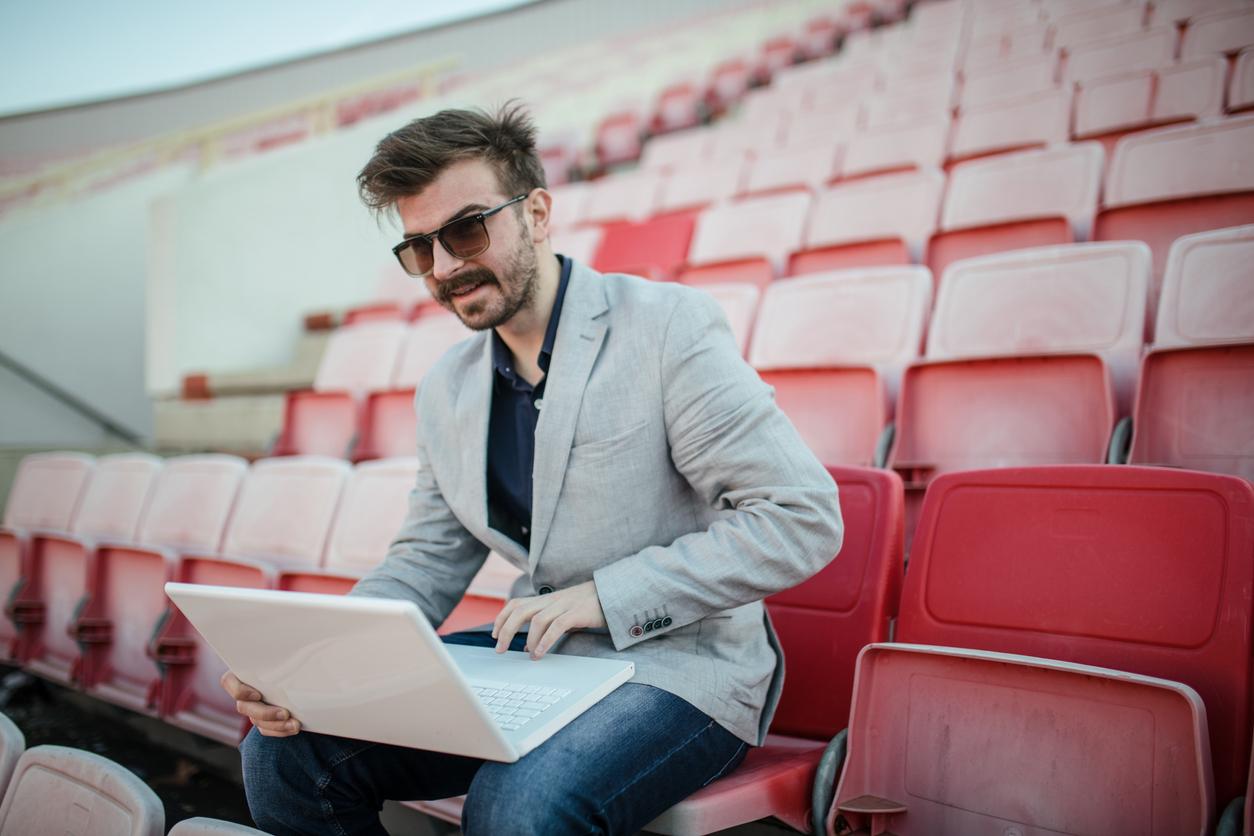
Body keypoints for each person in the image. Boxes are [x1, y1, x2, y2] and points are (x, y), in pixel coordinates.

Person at [223, 102, 843, 836]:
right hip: (537, 660)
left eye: (466, 229)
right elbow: (425, 560)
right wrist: (310, 665)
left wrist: (602, 599)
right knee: (283, 754)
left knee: (519, 805)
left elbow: (800, 518)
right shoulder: (445, 390)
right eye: (420, 249)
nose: (446, 267)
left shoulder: (666, 328)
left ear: (538, 212)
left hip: (682, 666)